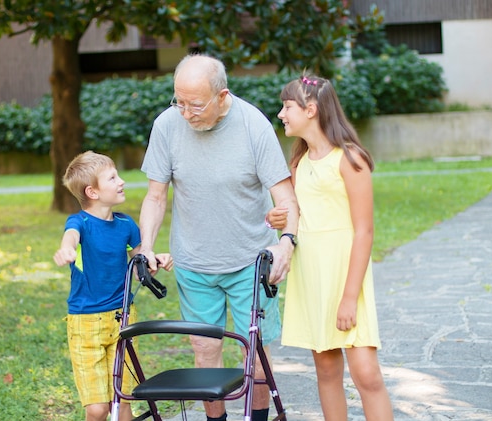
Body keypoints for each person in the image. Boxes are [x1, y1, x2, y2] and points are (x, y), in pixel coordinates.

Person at [138, 54, 299, 421]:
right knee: (204, 353)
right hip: (195, 262)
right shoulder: (166, 125)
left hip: (249, 261)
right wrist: (146, 244)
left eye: (195, 104)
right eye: (178, 101)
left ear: (222, 96)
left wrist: (286, 241)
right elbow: (155, 195)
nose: (186, 112)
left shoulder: (252, 125)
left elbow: (286, 197)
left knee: (254, 354)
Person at [266, 74, 393, 420]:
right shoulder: (299, 164)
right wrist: (281, 220)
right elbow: (299, 217)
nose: (281, 114)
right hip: (312, 278)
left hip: (345, 277)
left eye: (287, 106)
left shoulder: (350, 159)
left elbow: (364, 231)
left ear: (310, 110)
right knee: (325, 369)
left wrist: (350, 296)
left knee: (366, 373)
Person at [53, 151, 173, 421]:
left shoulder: (125, 224)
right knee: (97, 409)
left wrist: (157, 258)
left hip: (123, 319)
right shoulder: (80, 223)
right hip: (86, 324)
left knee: (123, 402)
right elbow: (70, 237)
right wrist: (65, 250)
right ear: (92, 192)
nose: (122, 182)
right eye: (112, 178)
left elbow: (142, 254)